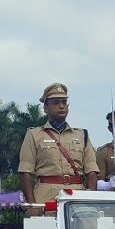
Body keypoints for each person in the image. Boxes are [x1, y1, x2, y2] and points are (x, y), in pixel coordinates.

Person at [18, 83, 99, 215]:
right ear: (45, 108)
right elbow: (25, 172)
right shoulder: (34, 135)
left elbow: (92, 171)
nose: (61, 106)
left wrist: (90, 200)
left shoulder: (82, 135)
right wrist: (32, 205)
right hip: (45, 195)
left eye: (64, 102)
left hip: (78, 194)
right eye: (56, 102)